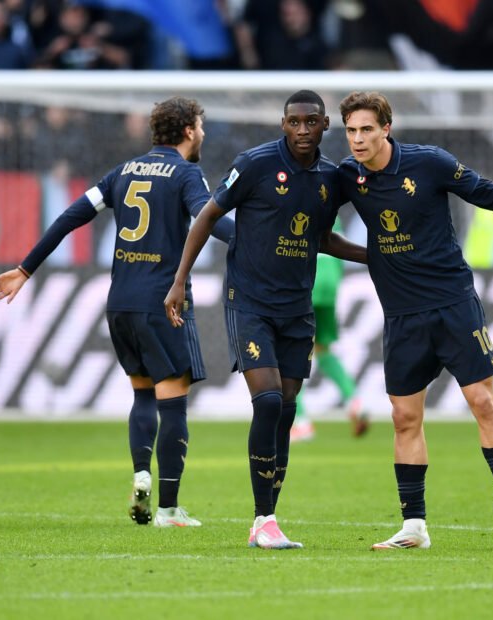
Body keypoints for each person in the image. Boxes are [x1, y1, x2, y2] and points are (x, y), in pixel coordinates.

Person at [336, 91, 493, 551]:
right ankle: (414, 527)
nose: (358, 139)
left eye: (367, 129)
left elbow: (490, 194)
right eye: (351, 131)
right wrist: (372, 257)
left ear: (387, 128)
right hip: (401, 314)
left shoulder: (429, 162)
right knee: (405, 417)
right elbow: (314, 223)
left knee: (482, 401)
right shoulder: (347, 176)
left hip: (453, 302)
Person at [0, 96, 232, 528]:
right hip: (164, 303)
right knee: (173, 404)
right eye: (200, 126)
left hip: (120, 303)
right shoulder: (186, 173)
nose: (203, 134)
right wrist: (261, 242)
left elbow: (70, 217)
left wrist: (26, 268)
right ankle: (169, 509)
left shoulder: (123, 172)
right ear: (189, 131)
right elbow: (207, 219)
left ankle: (141, 475)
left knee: (142, 395)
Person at [163, 90, 365, 550]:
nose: (302, 130)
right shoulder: (254, 164)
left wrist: (376, 257)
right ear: (283, 124)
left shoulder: (330, 178)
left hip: (297, 307)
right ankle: (263, 518)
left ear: (325, 125)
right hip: (249, 302)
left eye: (310, 122)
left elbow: (323, 239)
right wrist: (178, 280)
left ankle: (268, 520)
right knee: (270, 400)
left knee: (288, 407)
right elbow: (207, 217)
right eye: (294, 122)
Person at [290, 217, 369, 443]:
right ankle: (354, 401)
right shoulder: (332, 210)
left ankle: (300, 422)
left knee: (290, 352)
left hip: (308, 280)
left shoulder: (298, 201)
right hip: (330, 282)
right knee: (322, 349)